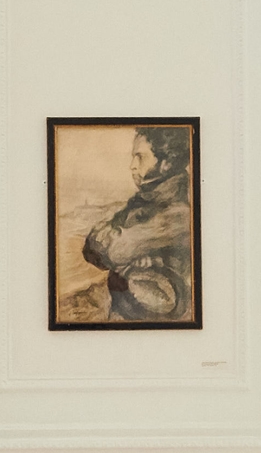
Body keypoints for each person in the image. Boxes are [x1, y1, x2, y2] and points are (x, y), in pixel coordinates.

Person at [79, 127, 196, 322]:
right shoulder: (140, 204)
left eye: (140, 157)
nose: (132, 166)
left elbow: (115, 250)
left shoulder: (178, 213)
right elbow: (90, 249)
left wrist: (114, 246)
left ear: (166, 163)